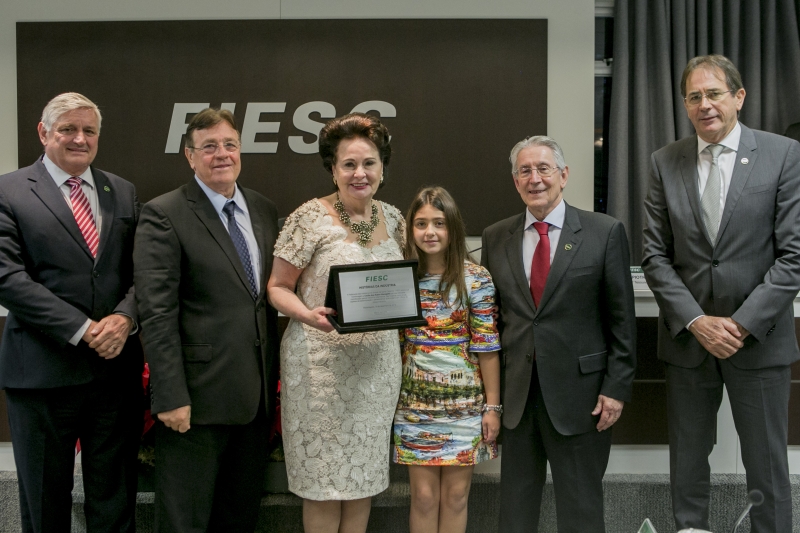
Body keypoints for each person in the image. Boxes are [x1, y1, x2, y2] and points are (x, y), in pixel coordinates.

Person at [642, 54, 800, 532]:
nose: (704, 104)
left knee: (766, 466)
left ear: (739, 97)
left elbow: (793, 255)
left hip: (759, 338)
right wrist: (697, 322)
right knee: (688, 463)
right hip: (690, 342)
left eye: (713, 94)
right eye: (694, 97)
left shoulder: (782, 154)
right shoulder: (663, 162)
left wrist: (739, 324)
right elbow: (654, 255)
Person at [0, 92, 142, 532]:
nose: (79, 139)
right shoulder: (8, 190)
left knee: (114, 501)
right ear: (44, 133)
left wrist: (125, 317)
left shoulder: (121, 190)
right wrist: (81, 328)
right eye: (68, 129)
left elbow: (147, 271)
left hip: (113, 375)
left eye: (89, 131)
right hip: (42, 374)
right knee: (45, 506)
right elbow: (7, 277)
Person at [133, 108, 280, 532]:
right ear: (189, 155)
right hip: (194, 404)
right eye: (209, 146)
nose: (222, 154)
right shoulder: (165, 213)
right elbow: (156, 313)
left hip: (254, 404)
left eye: (230, 144)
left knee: (238, 520)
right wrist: (170, 396)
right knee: (185, 523)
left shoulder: (263, 209)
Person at [481, 135, 636, 533]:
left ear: (563, 175)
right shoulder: (496, 237)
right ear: (515, 182)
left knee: (581, 509)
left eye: (543, 168)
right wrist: (492, 402)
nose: (535, 179)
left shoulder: (605, 232)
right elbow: (492, 321)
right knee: (515, 511)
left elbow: (621, 320)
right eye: (525, 171)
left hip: (582, 399)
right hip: (518, 399)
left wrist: (616, 388)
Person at [267, 113, 404, 533]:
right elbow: (277, 287)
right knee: (324, 487)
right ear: (333, 168)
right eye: (349, 164)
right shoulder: (308, 217)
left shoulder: (395, 219)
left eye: (369, 163)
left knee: (363, 483)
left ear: (382, 167)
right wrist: (306, 314)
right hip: (319, 371)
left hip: (377, 372)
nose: (359, 173)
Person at [392, 186, 501, 533]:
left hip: (466, 405)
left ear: (452, 227)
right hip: (413, 404)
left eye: (439, 223)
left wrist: (493, 408)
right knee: (422, 497)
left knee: (456, 497)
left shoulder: (476, 278)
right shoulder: (400, 277)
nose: (430, 232)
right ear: (411, 230)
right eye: (421, 223)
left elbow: (487, 344)